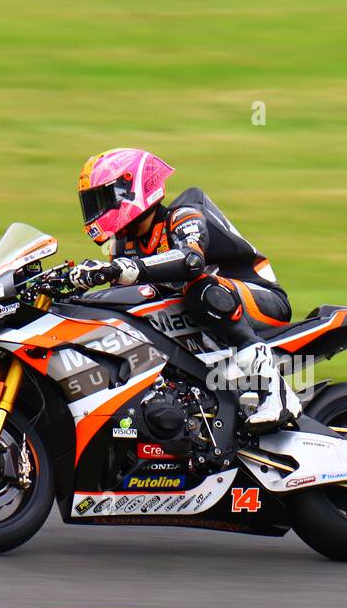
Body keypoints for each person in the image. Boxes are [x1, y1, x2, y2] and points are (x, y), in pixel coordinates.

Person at [70, 147, 301, 429]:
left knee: (200, 288)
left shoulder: (184, 215)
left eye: (104, 198)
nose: (98, 208)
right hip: (205, 319)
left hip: (259, 300)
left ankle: (276, 391)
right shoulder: (122, 245)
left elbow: (191, 261)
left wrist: (131, 269)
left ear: (130, 191)